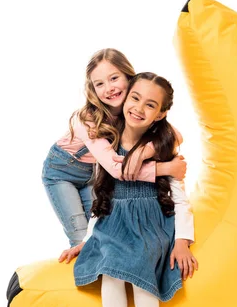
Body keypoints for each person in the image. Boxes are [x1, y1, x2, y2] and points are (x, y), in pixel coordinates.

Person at [66, 72, 198, 307]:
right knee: (110, 268)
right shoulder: (107, 143)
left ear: (161, 114)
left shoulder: (162, 146)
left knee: (140, 262)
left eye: (150, 104)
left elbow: (180, 198)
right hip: (114, 220)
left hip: (151, 220)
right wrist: (86, 239)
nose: (138, 108)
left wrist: (182, 240)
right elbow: (101, 196)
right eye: (135, 98)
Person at [41, 48, 187, 250]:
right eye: (99, 84)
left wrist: (141, 152)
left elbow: (175, 135)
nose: (108, 88)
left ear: (129, 77)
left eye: (114, 78)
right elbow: (117, 170)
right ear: (92, 89)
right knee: (80, 237)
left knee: (101, 232)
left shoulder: (134, 108)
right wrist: (165, 169)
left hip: (95, 173)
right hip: (62, 172)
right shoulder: (86, 120)